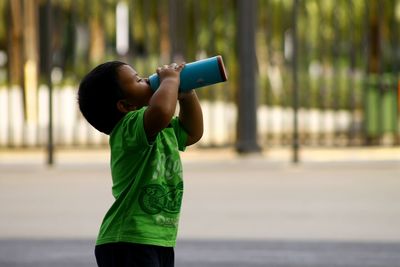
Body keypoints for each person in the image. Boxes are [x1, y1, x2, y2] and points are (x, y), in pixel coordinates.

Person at [78, 60, 204, 267]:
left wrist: (187, 94)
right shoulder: (128, 129)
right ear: (126, 106)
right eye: (138, 80)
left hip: (155, 238)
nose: (146, 80)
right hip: (129, 239)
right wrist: (171, 80)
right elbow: (162, 110)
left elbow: (192, 132)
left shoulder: (159, 127)